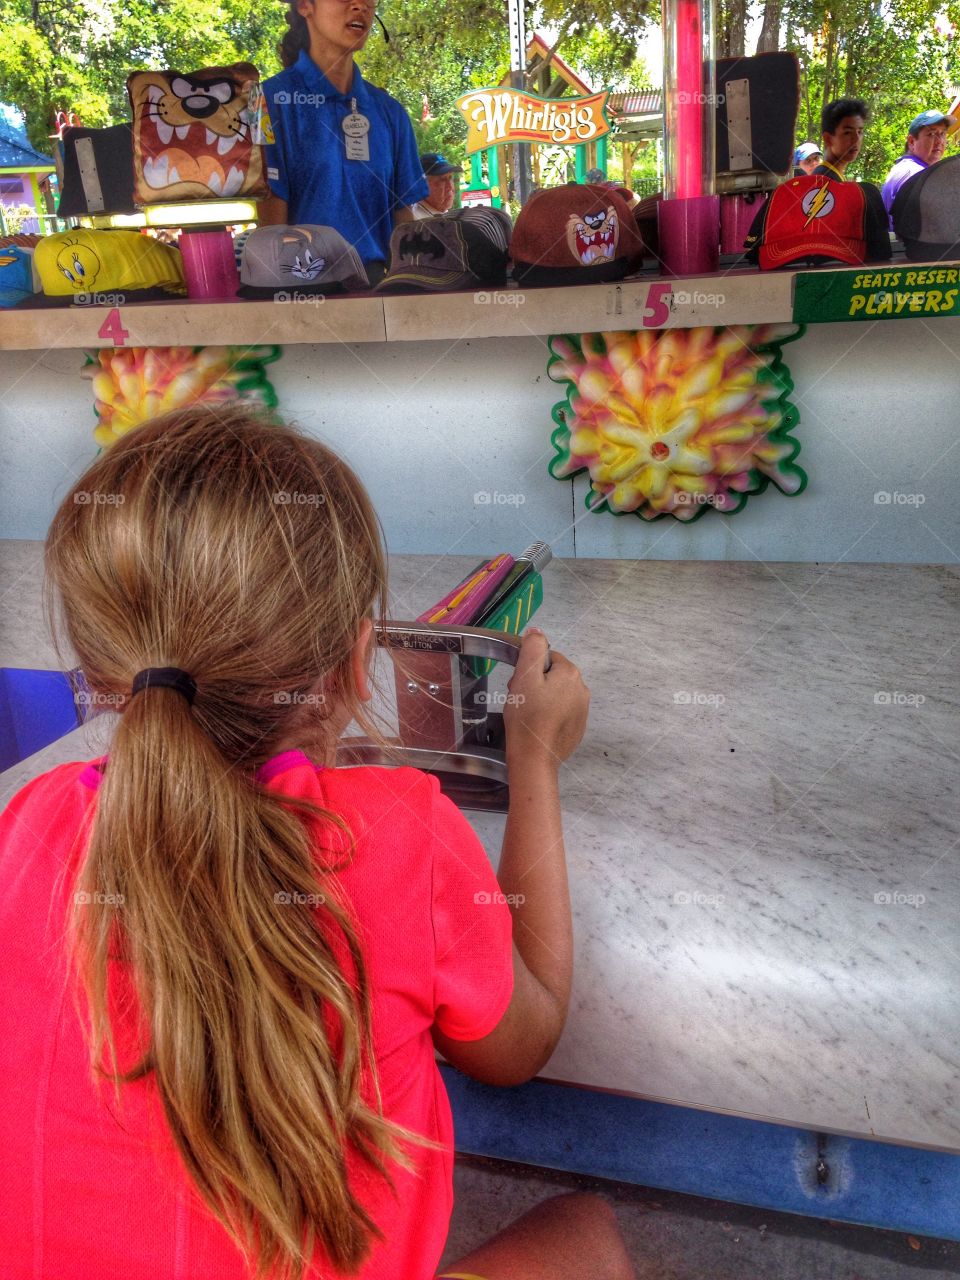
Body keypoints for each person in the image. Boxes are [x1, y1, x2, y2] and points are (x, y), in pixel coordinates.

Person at [0, 405, 635, 1280]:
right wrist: (534, 755)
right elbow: (521, 1044)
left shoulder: (28, 823)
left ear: (105, 679)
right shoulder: (399, 830)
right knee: (586, 1232)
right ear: (355, 662)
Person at [259, 0, 429, 280]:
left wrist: (410, 288)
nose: (360, 5)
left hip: (379, 287)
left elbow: (404, 223)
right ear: (305, 6)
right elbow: (271, 228)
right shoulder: (270, 103)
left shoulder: (389, 112)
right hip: (302, 286)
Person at [881, 109, 951, 225]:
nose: (939, 141)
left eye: (942, 134)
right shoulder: (915, 174)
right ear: (912, 141)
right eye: (931, 134)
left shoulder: (905, 168)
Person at [814, 98, 869, 180]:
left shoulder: (833, 176)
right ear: (828, 139)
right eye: (848, 132)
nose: (856, 139)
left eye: (859, 132)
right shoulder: (824, 180)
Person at [410, 152, 460, 219]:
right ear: (422, 185)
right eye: (442, 179)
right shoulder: (414, 219)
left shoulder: (443, 214)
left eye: (450, 177)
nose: (450, 187)